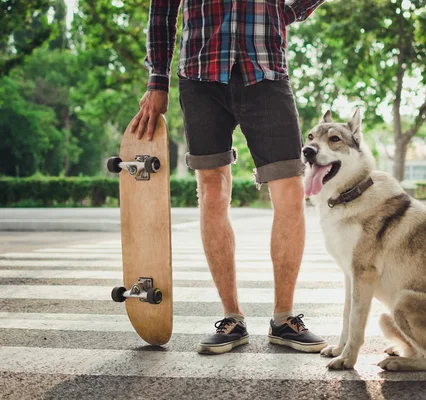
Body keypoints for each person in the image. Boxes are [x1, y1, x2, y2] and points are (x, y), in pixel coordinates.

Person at [129, 0, 327, 354]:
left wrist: (292, 11)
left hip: (266, 68)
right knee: (212, 191)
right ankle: (231, 318)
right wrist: (157, 79)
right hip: (201, 71)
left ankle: (284, 319)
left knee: (291, 190)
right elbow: (161, 10)